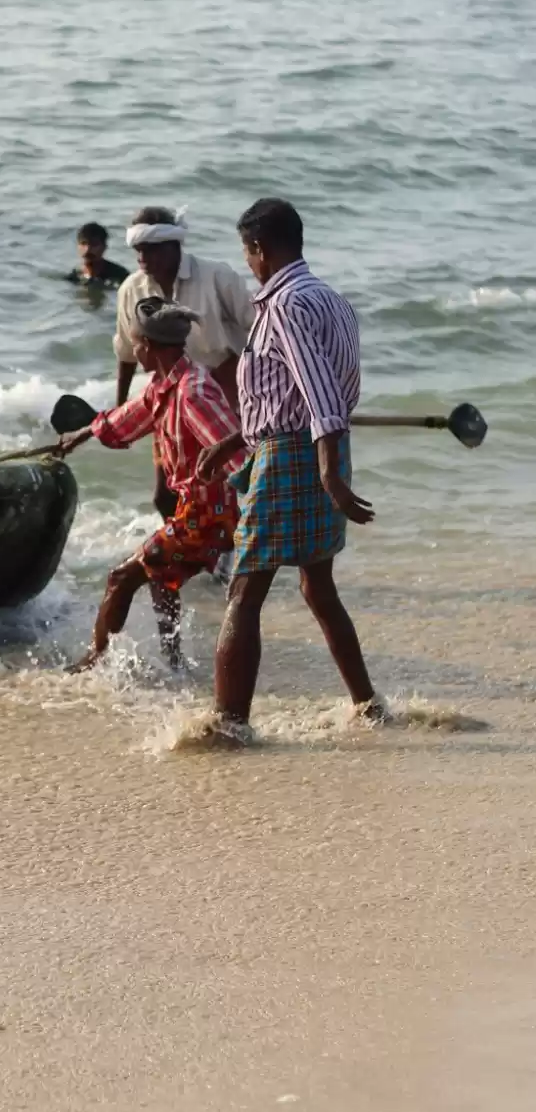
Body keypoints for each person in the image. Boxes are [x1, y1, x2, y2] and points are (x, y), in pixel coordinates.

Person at [197, 198, 381, 738]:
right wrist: (237, 436)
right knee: (317, 587)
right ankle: (366, 703)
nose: (248, 264)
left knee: (244, 592)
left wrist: (328, 474)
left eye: (247, 253)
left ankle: (229, 725)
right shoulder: (331, 299)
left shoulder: (283, 306)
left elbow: (318, 390)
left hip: (296, 457)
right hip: (315, 445)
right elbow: (303, 390)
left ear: (260, 248)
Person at [59, 299, 245, 673]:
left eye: (136, 342)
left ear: (150, 345)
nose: (133, 350)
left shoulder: (193, 393)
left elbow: (237, 453)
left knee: (121, 577)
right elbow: (127, 418)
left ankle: (93, 661)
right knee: (162, 577)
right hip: (194, 510)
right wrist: (82, 434)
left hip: (208, 513)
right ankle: (175, 664)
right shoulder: (164, 386)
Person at [113, 205, 254, 519]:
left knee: (221, 483)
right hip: (169, 398)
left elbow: (259, 329)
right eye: (138, 250)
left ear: (173, 245)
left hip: (222, 392)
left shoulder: (218, 277)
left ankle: (222, 553)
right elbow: (125, 353)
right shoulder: (130, 290)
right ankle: (184, 554)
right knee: (166, 495)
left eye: (150, 250)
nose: (142, 258)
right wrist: (119, 409)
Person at [66, 223, 128, 288]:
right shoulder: (74, 276)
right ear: (78, 246)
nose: (88, 249)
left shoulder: (119, 275)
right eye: (83, 243)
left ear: (104, 247)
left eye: (94, 244)